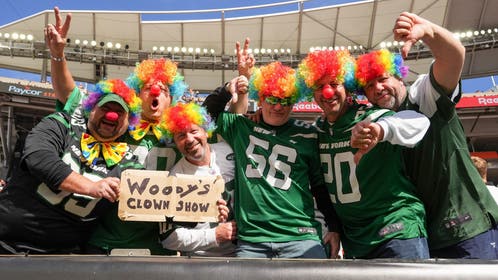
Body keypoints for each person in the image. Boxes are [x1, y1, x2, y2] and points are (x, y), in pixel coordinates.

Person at [354, 11, 498, 259]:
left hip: (468, 227)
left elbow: (454, 57)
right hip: (426, 234)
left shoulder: (423, 95)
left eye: (382, 78)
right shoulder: (376, 121)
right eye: (368, 85)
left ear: (400, 76)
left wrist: (430, 33)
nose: (377, 88)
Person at [45, 7, 187, 254]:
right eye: (148, 88)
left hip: (159, 244)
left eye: (164, 90)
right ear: (137, 95)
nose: (156, 92)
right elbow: (70, 95)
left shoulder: (181, 135)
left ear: (171, 100)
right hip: (105, 239)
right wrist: (58, 55)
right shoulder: (118, 125)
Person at [297, 49, 430, 259]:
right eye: (319, 87)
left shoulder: (372, 117)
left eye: (334, 84)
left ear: (348, 87)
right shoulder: (318, 130)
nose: (327, 92)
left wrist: (380, 130)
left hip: (396, 230)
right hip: (355, 240)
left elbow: (419, 122)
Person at [204, 61, 338, 259]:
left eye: (285, 100)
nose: (277, 106)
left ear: (294, 101)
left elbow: (320, 187)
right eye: (272, 99)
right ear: (260, 98)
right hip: (252, 240)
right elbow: (208, 112)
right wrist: (227, 89)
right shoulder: (241, 127)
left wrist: (334, 227)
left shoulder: (309, 134)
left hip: (300, 236)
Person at [0, 79, 143, 254]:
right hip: (6, 241)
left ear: (129, 121)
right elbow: (38, 158)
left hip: (63, 257)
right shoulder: (62, 125)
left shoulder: (129, 162)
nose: (111, 115)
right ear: (91, 110)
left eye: (120, 112)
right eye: (105, 108)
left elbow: (149, 197)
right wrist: (91, 186)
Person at [159, 102, 238, 257]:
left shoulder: (230, 150)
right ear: (174, 142)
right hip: (200, 262)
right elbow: (168, 238)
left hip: (244, 253)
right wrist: (214, 235)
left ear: (206, 131)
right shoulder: (173, 179)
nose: (189, 139)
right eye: (181, 136)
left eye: (194, 131)